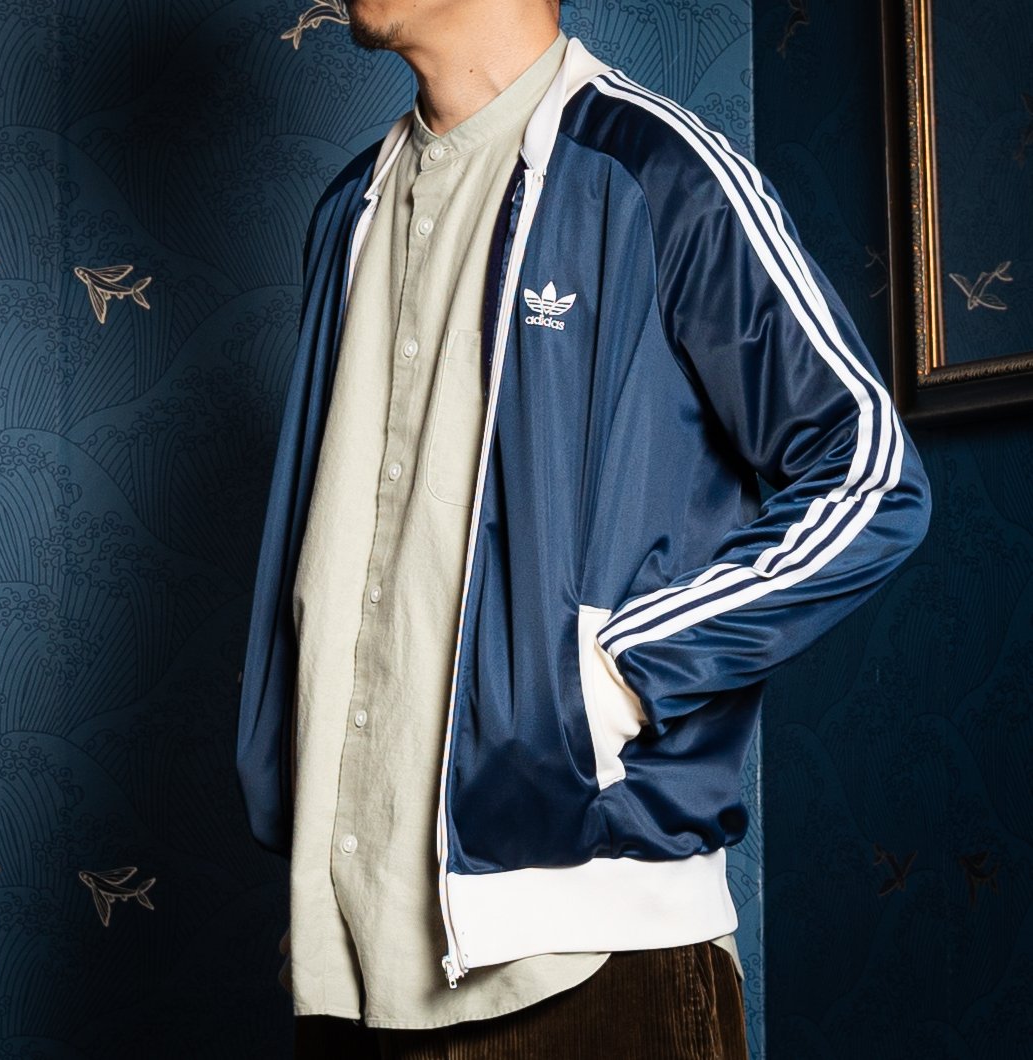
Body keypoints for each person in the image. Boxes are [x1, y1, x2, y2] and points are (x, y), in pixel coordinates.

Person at [235, 0, 932, 1056]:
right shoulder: (349, 210)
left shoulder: (660, 172)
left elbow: (871, 474)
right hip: (352, 969)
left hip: (592, 955)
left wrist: (615, 676)